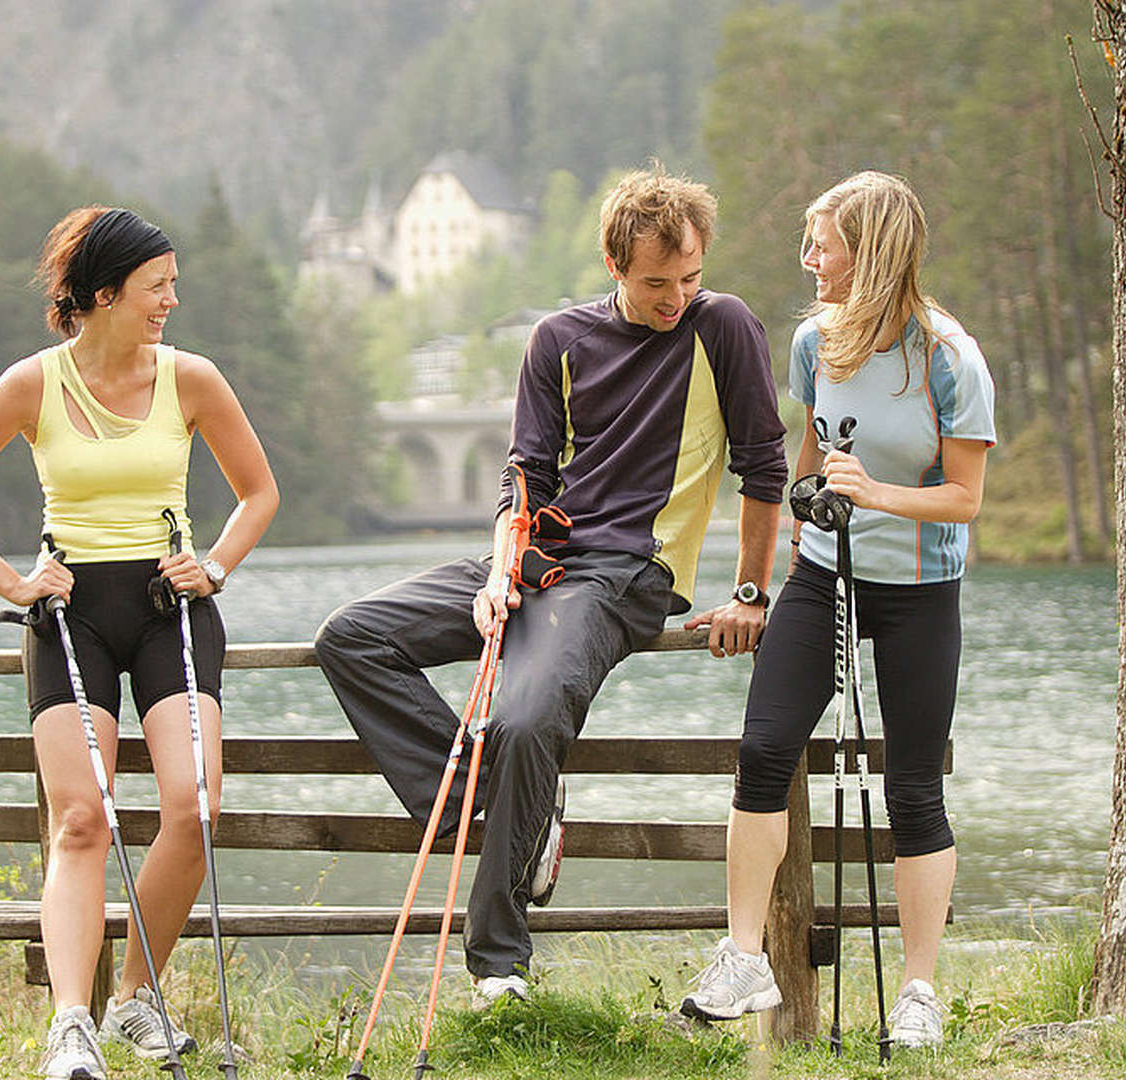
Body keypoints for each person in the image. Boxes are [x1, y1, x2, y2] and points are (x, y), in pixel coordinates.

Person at [315, 164, 789, 1010]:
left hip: (630, 573)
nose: (676, 296)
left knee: (526, 717)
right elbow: (523, 477)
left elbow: (763, 469)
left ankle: (498, 963)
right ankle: (509, 812)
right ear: (615, 267)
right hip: (538, 561)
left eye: (690, 276)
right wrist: (500, 571)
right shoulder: (557, 340)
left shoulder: (725, 329)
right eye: (655, 283)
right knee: (350, 636)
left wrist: (751, 594)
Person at [0, 206, 278, 1080]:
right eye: (158, 287)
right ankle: (70, 1028)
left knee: (193, 807)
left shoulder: (192, 379)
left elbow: (259, 492)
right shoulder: (31, 384)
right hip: (70, 612)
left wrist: (217, 565)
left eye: (173, 285)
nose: (171, 302)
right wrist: (13, 584)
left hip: (168, 608)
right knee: (81, 819)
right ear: (105, 293)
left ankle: (134, 1002)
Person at [679, 171, 995, 1048]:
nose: (808, 259)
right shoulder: (816, 342)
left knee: (913, 787)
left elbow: (966, 500)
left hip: (920, 590)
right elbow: (806, 457)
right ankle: (743, 959)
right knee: (764, 747)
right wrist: (796, 530)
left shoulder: (947, 357)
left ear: (874, 251)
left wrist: (881, 494)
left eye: (823, 243)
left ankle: (919, 995)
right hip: (826, 574)